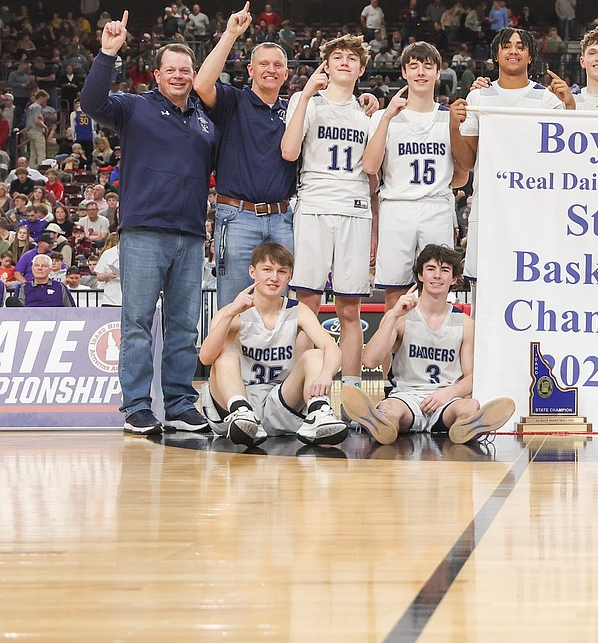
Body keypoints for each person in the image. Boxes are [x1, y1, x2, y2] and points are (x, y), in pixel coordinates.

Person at [81, 11, 216, 435]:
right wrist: (107, 53)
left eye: (186, 70)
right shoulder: (133, 107)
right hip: (142, 232)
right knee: (137, 322)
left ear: (194, 75)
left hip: (191, 235)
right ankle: (138, 406)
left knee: (183, 325)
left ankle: (178, 403)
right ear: (156, 74)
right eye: (171, 70)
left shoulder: (206, 119)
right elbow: (90, 103)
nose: (179, 76)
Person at [342, 244, 515, 446]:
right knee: (391, 409)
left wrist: (447, 394)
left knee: (469, 406)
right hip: (407, 396)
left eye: (445, 270)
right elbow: (370, 361)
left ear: (454, 279)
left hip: (446, 398)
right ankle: (381, 422)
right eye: (431, 269)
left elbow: (471, 378)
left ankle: (468, 425)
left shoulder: (465, 323)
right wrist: (393, 315)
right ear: (420, 275)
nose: (437, 276)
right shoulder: (400, 317)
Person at [281, 34, 376, 391]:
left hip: (354, 209)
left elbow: (373, 174)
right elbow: (289, 152)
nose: (345, 62)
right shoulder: (306, 101)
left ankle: (352, 392)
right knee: (307, 305)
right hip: (315, 205)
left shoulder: (368, 114)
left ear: (362, 69)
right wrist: (305, 95)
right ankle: (299, 391)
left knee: (349, 310)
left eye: (353, 58)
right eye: (338, 56)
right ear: (326, 64)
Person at [451, 27, 572, 294]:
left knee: (532, 288)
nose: (513, 51)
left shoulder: (547, 100)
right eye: (507, 46)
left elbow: (565, 160)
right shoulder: (478, 97)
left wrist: (570, 109)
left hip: (533, 208)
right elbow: (468, 162)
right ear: (496, 54)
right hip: (489, 206)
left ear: (530, 57)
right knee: (484, 291)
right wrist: (452, 128)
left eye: (520, 46)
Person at [195, 3, 298, 307]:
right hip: (238, 217)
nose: (271, 70)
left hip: (282, 218)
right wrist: (230, 34)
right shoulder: (233, 101)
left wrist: (367, 104)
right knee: (234, 306)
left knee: (282, 308)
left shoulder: (294, 110)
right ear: (251, 70)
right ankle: (227, 358)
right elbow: (201, 84)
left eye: (277, 65)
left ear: (286, 73)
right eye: (263, 64)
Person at [198, 243, 348, 448]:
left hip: (279, 400)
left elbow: (332, 348)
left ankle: (318, 412)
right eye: (267, 270)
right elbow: (205, 358)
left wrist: (325, 375)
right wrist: (231, 314)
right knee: (225, 354)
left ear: (290, 276)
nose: (274, 277)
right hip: (236, 401)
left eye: (281, 272)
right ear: (253, 272)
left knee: (315, 355)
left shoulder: (299, 310)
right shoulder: (232, 312)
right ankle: (241, 411)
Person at [364, 41, 469, 311]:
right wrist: (385, 118)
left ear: (437, 73)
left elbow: (461, 176)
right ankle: (392, 351)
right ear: (404, 72)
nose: (421, 72)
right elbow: (371, 167)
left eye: (427, 66)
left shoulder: (449, 118)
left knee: (438, 290)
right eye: (414, 66)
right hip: (397, 207)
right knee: (395, 294)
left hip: (436, 207)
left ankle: (432, 350)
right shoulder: (383, 118)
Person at [9, 253, 75, 307]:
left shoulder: (60, 287)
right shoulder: (22, 288)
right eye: (37, 265)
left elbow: (71, 311)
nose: (40, 268)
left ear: (50, 269)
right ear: (32, 268)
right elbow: (17, 313)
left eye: (44, 266)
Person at [94, 230, 121, 306]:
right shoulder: (107, 253)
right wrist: (108, 276)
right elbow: (99, 276)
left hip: (130, 301)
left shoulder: (136, 253)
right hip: (109, 300)